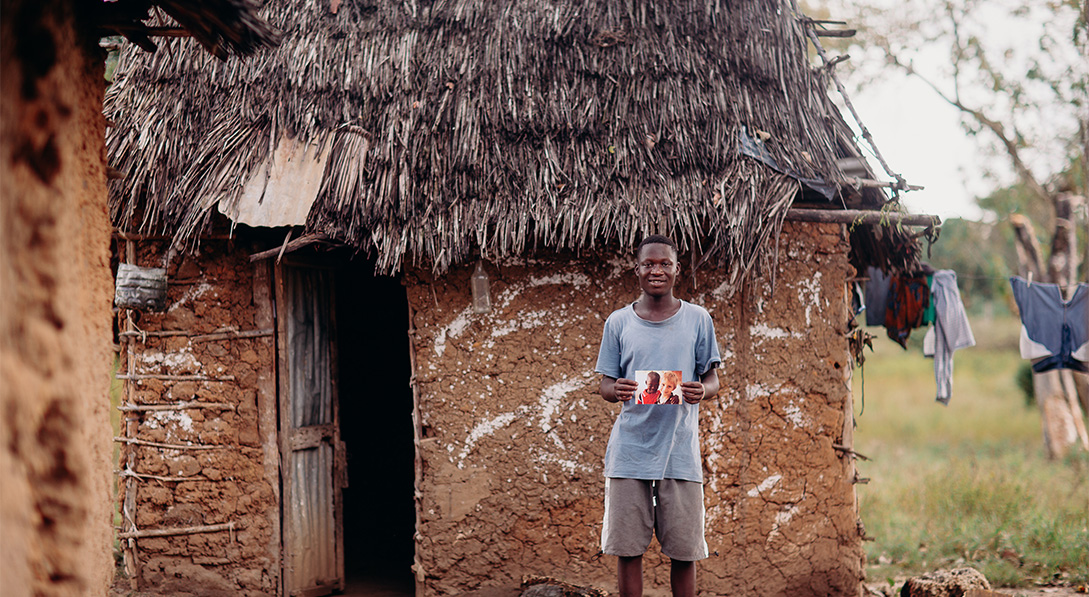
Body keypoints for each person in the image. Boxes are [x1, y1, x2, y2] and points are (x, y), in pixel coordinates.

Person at [595, 234, 722, 597]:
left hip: (679, 453)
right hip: (629, 454)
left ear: (676, 270)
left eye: (664, 263)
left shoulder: (698, 319)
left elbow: (711, 377)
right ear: (636, 270)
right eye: (649, 263)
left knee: (684, 553)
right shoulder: (618, 323)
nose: (657, 270)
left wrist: (705, 390)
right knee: (628, 550)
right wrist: (615, 389)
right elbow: (605, 385)